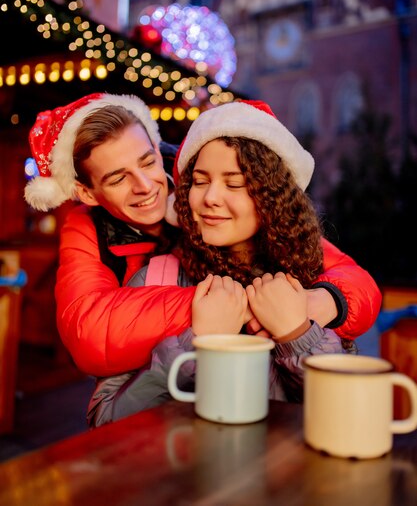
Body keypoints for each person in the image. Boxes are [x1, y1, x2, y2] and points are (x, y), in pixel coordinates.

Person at [24, 93, 381, 383]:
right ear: (87, 193)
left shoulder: (206, 191)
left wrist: (323, 301)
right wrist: (215, 306)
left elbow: (349, 278)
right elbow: (88, 332)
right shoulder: (87, 227)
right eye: (118, 179)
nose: (146, 186)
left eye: (149, 162)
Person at [87, 100, 351, 426]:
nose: (210, 197)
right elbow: (104, 422)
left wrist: (297, 335)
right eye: (199, 181)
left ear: (272, 198)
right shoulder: (155, 279)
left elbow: (345, 418)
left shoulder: (309, 285)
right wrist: (193, 346)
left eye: (234, 182)